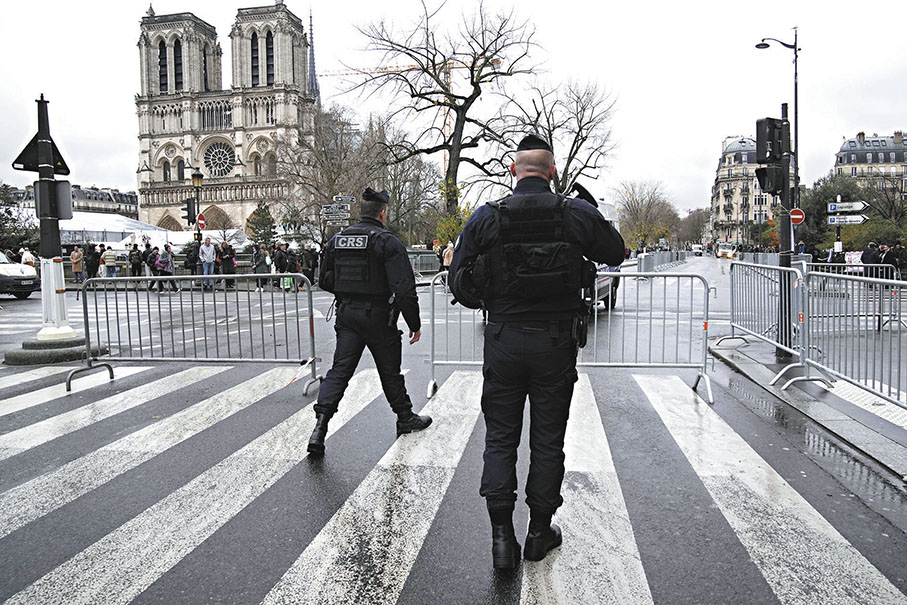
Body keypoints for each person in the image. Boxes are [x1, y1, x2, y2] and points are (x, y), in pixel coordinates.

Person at [449, 133, 625, 570]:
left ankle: (501, 539)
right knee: (548, 441)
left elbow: (457, 278)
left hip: (505, 340)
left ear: (513, 171)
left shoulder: (488, 217)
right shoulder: (575, 213)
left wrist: (488, 297)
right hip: (554, 343)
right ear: (551, 171)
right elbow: (617, 252)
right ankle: (538, 532)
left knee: (500, 438)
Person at [309, 187, 431, 457]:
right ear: (383, 213)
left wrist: (347, 293)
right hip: (378, 317)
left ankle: (320, 426)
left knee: (339, 371)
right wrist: (414, 323)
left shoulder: (338, 240)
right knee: (390, 372)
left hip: (347, 314)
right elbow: (404, 289)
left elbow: (325, 279)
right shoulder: (387, 242)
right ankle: (405, 417)